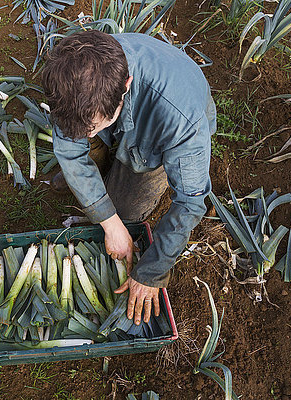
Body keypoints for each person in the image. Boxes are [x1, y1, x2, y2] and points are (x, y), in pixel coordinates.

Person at [42, 30, 216, 326]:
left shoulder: (179, 120)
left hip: (155, 138)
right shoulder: (74, 70)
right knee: (81, 156)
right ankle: (98, 153)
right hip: (109, 115)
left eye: (92, 126)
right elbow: (72, 140)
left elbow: (190, 202)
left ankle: (108, 159)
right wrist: (110, 225)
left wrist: (152, 271)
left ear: (125, 87)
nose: (83, 133)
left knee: (126, 212)